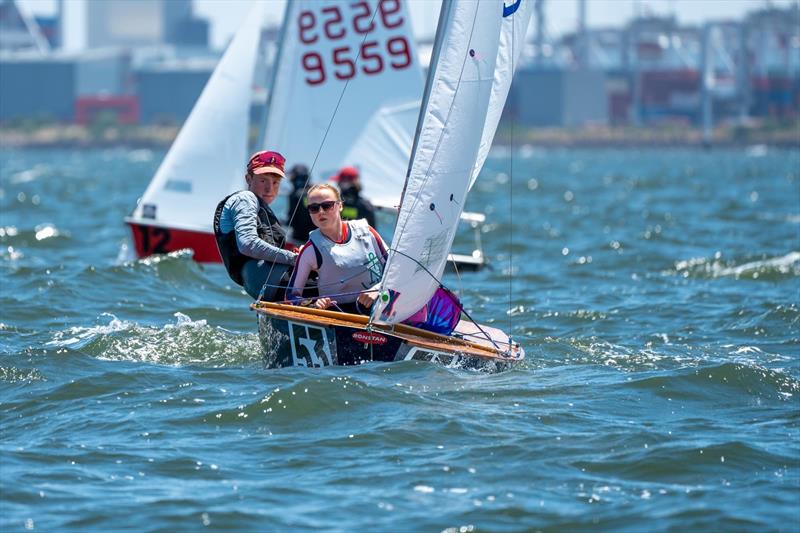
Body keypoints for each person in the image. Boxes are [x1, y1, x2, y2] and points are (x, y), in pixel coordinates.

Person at [288, 184, 387, 313]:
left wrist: (379, 289)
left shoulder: (367, 232)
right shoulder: (310, 250)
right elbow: (291, 296)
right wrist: (313, 304)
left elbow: (395, 268)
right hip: (340, 316)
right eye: (314, 208)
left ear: (340, 206)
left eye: (327, 205)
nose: (321, 212)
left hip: (380, 307)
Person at [213, 150, 297, 301]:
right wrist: (295, 259)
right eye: (263, 180)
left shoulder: (260, 205)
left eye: (275, 182)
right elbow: (248, 244)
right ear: (248, 179)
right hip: (264, 280)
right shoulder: (245, 199)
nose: (269, 189)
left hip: (265, 281)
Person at [286, 164, 316, 244]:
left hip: (300, 239)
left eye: (293, 176)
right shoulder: (313, 193)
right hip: (314, 238)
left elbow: (293, 219)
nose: (290, 179)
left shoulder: (296, 195)